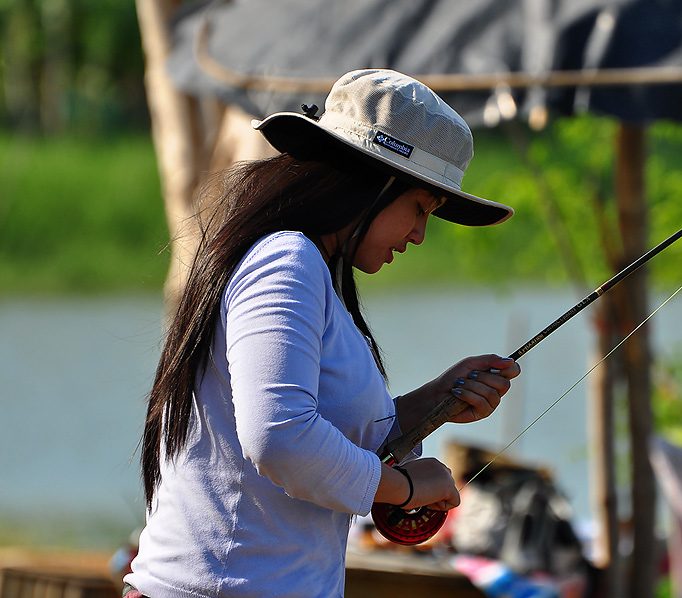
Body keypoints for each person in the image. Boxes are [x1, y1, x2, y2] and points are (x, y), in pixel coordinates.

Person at [124, 69, 521, 598]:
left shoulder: (311, 267)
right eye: (420, 208)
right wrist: (402, 487)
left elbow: (312, 434)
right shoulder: (288, 260)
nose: (421, 233)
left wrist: (434, 401)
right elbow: (278, 438)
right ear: (375, 180)